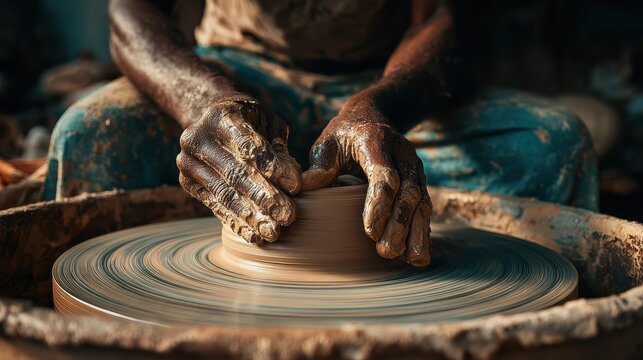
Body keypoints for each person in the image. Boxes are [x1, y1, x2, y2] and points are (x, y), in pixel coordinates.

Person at [43, 0, 598, 268]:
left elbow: (449, 16)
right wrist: (203, 102)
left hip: (384, 76)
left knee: (550, 148)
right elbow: (129, 12)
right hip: (233, 70)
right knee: (91, 136)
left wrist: (378, 105)